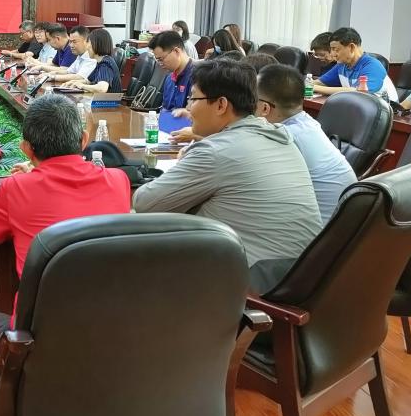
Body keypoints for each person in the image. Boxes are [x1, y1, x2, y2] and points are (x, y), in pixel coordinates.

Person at [0, 94, 131, 416]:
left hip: (38, 337)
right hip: (114, 329)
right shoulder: (119, 181)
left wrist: (14, 184)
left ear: (26, 149)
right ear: (84, 141)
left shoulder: (17, 188)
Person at [133, 59, 322, 266]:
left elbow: (145, 204)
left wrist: (185, 163)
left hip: (252, 276)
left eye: (193, 98)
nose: (188, 108)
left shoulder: (215, 151)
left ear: (221, 105)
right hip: (300, 271)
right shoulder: (280, 138)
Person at [257, 64, 357, 223]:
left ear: (264, 108)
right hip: (343, 224)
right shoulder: (307, 123)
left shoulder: (284, 137)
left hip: (319, 231)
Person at [313, 27, 397, 99]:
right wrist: (308, 85)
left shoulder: (373, 66)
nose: (332, 54)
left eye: (336, 49)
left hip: (386, 111)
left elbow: (358, 92)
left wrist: (314, 87)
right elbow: (320, 82)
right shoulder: (341, 65)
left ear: (352, 47)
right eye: (331, 50)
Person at [148, 30, 193, 112]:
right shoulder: (169, 78)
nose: (160, 64)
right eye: (157, 60)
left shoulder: (199, 77)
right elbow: (165, 109)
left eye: (161, 59)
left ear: (176, 51)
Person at [71, 28, 121, 93]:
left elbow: (102, 89)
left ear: (96, 44)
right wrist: (74, 82)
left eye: (88, 42)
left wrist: (82, 86)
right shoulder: (99, 63)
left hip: (108, 100)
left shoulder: (105, 64)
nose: (87, 47)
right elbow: (89, 81)